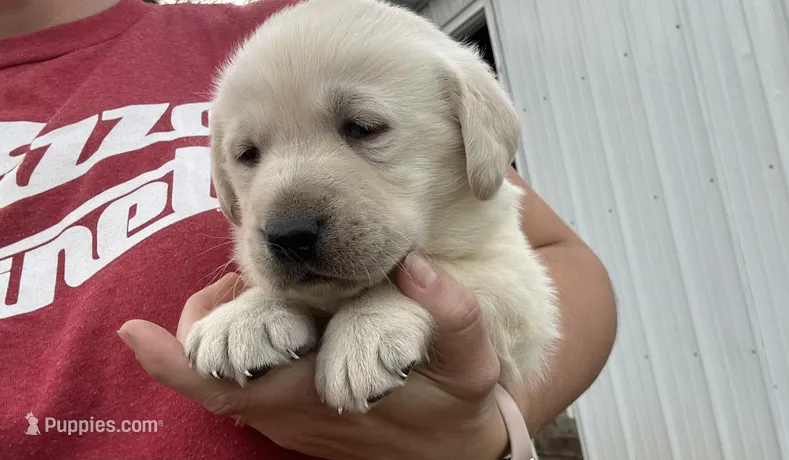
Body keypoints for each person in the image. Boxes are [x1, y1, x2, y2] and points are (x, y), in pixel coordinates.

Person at [0, 0, 617, 458]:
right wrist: (273, 305)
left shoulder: (344, 30)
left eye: (362, 128)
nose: (285, 216)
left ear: (472, 129)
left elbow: (529, 270)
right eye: (247, 155)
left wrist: (481, 433)